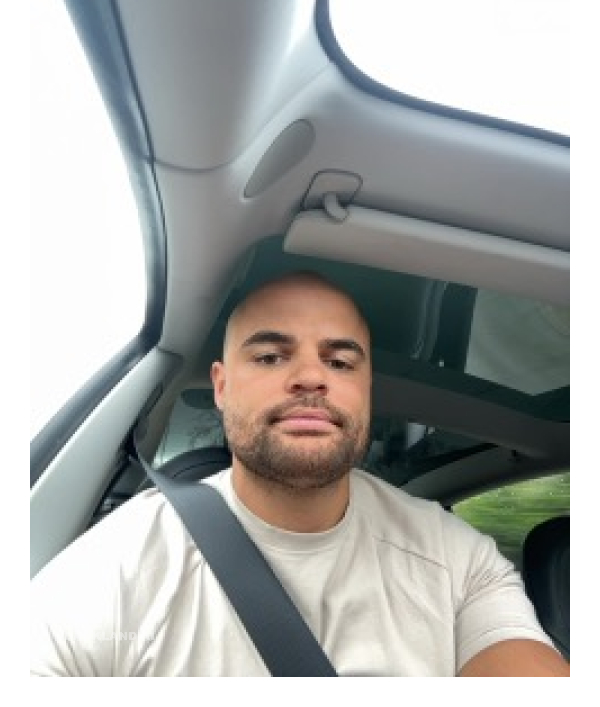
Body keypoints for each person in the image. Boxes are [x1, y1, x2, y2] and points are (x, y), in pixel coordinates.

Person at [30, 271, 570, 676]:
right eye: (270, 357)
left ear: (366, 389)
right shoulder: (117, 567)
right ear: (221, 386)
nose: (311, 376)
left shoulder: (460, 561)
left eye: (340, 362)